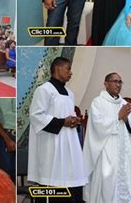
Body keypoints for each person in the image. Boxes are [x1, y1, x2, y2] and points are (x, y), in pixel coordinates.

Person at [28, 57, 87, 202]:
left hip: (69, 145)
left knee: (72, 181)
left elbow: (68, 114)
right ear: (58, 68)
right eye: (68, 69)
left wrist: (74, 121)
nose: (71, 72)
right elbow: (36, 116)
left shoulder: (70, 93)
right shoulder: (44, 90)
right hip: (51, 146)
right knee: (53, 183)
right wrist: (62, 122)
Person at [83, 72, 131, 202]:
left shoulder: (123, 103)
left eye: (120, 82)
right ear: (106, 84)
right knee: (107, 187)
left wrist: (125, 120)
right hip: (106, 152)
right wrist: (118, 117)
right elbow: (97, 125)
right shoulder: (98, 102)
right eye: (115, 81)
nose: (118, 84)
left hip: (123, 152)